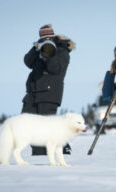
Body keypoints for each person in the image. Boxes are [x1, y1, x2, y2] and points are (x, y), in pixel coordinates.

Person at [21, 24, 75, 155]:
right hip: (33, 93)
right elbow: (28, 62)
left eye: (48, 38)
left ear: (53, 37)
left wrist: (49, 53)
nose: (46, 40)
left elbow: (54, 68)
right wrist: (36, 48)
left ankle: (60, 147)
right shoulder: (39, 48)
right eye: (43, 38)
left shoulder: (62, 51)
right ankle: (38, 154)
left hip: (50, 94)